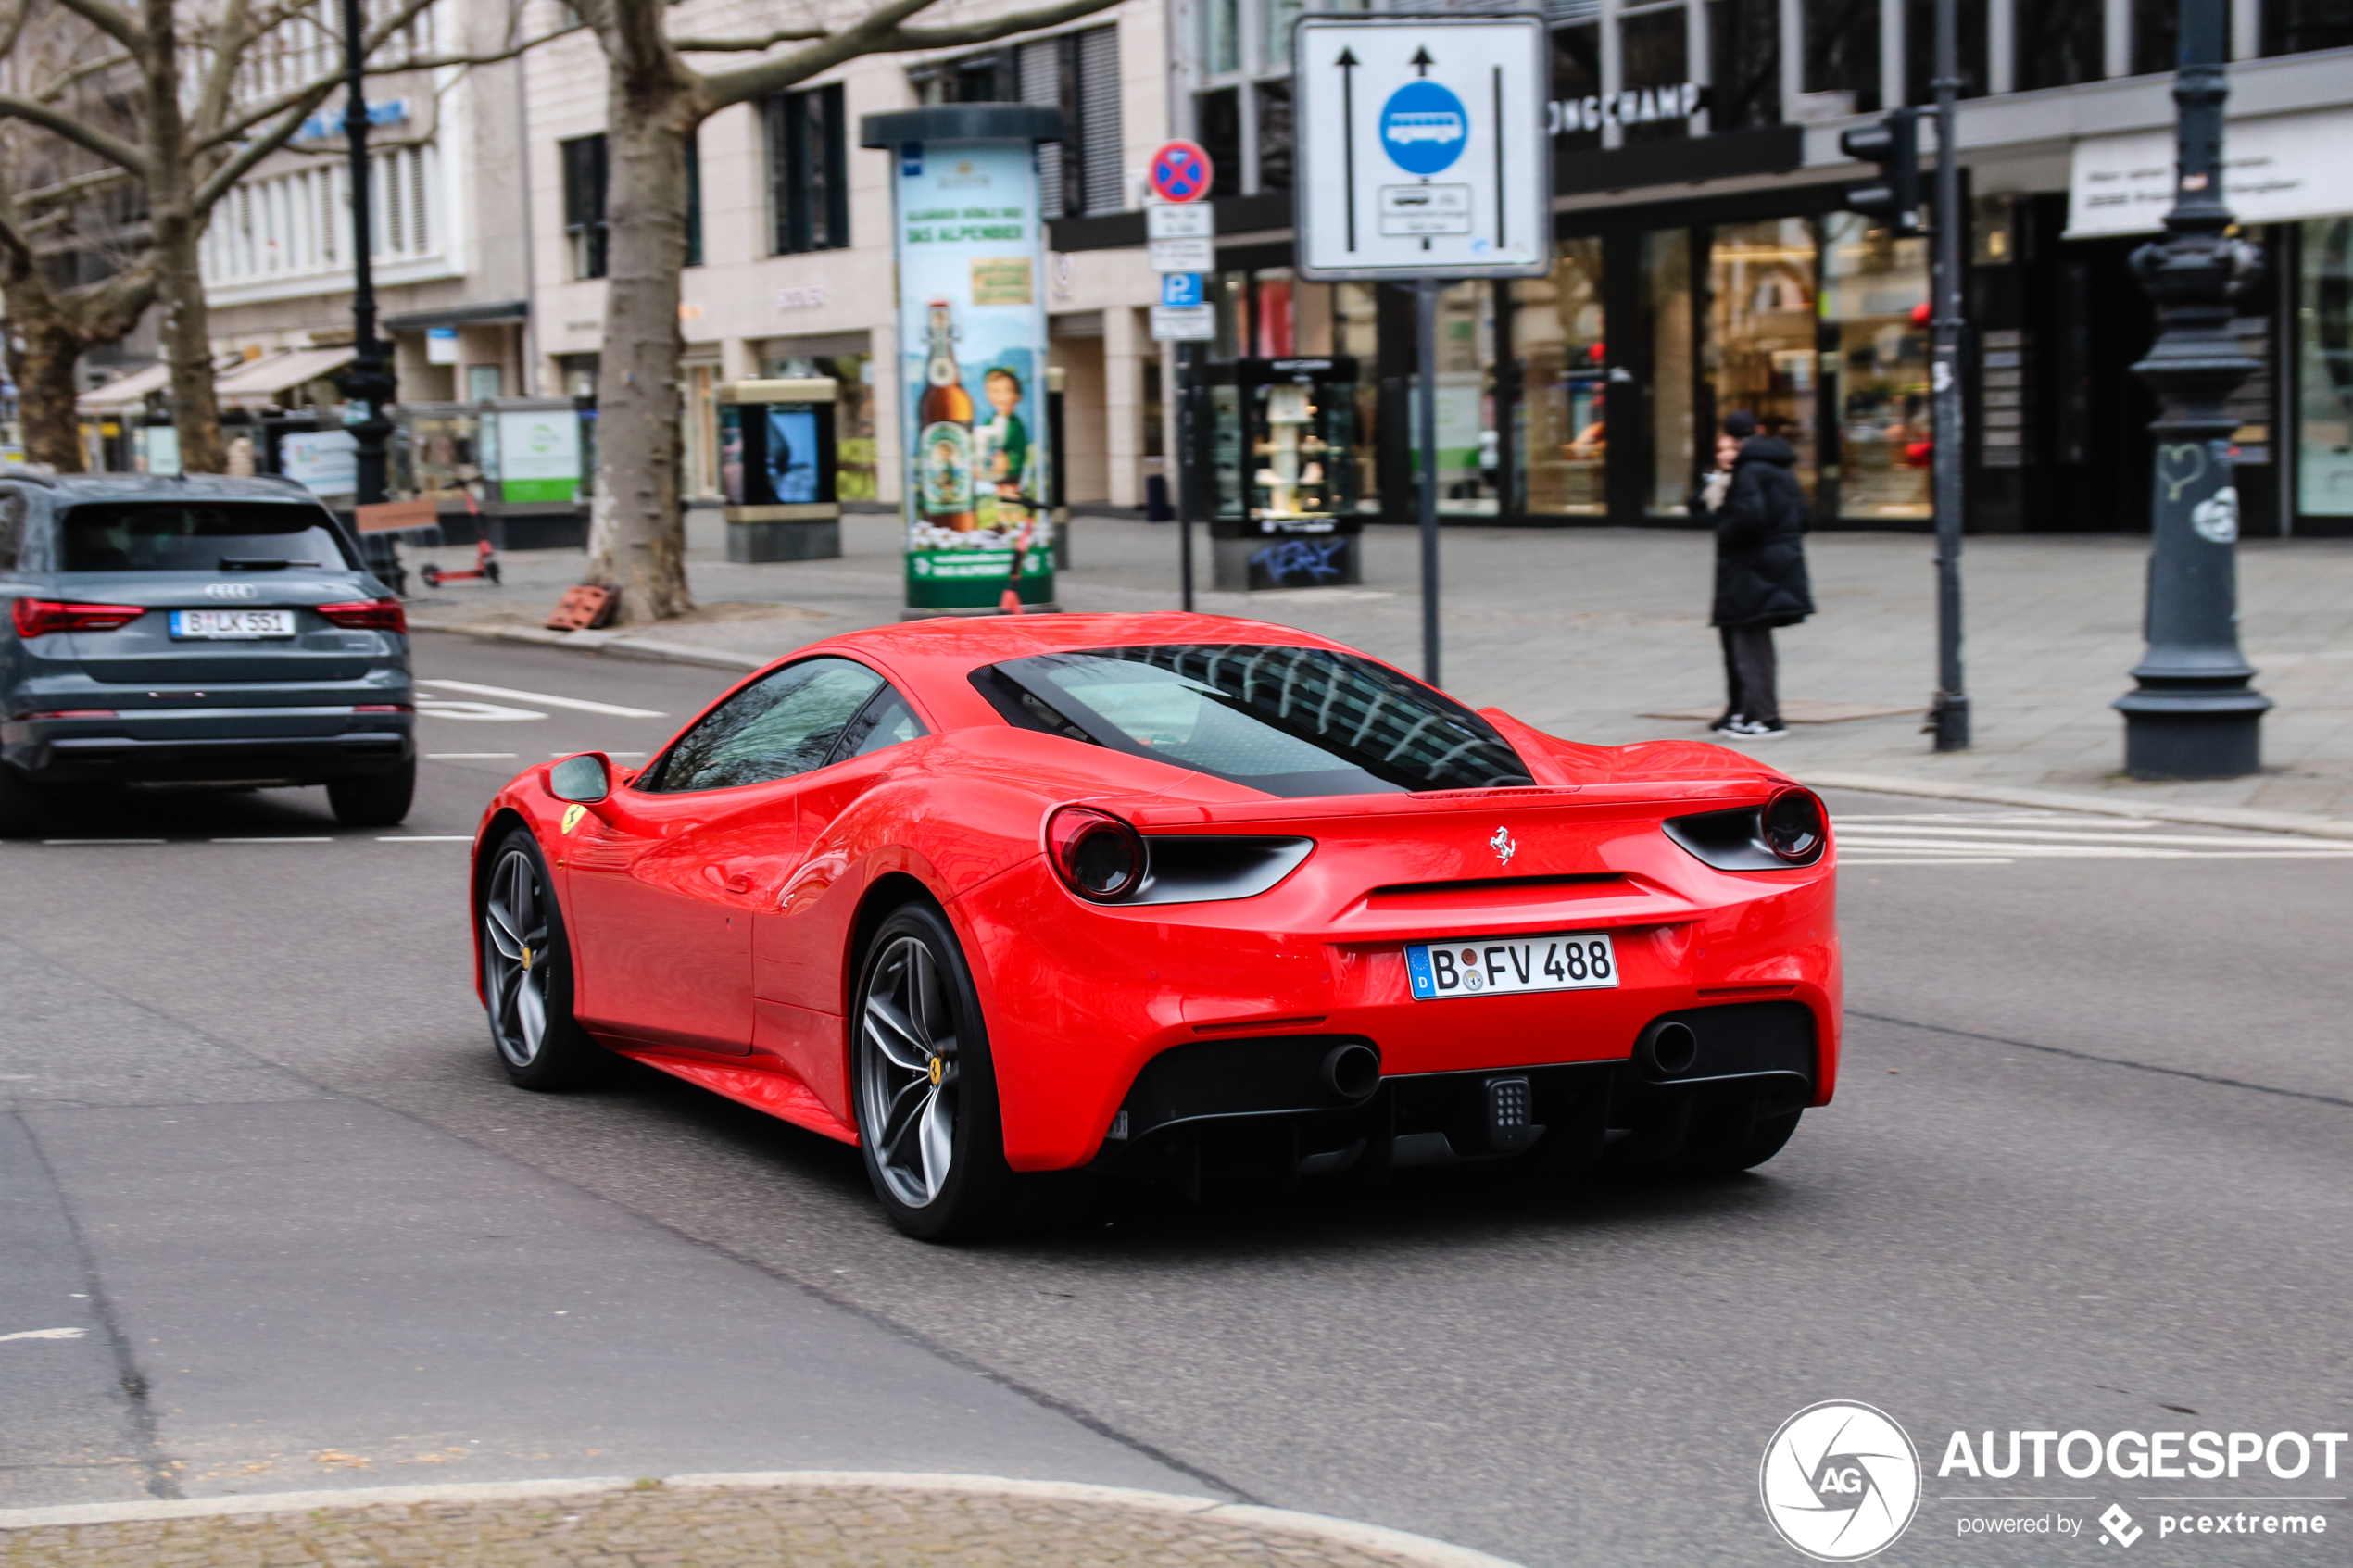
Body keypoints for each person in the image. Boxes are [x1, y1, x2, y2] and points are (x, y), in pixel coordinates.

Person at [1706, 411, 1814, 738]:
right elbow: (1804, 516)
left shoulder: (1750, 470)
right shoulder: (1780, 466)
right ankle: (1751, 713)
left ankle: (1764, 718)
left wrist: (1725, 528)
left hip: (1751, 565)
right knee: (1752, 639)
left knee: (1749, 642)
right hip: (1777, 561)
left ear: (1732, 438)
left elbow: (1747, 517)